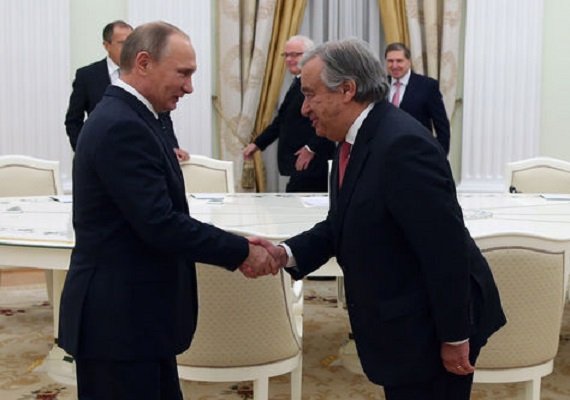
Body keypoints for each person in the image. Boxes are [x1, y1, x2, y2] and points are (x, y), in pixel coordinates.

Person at [251, 38, 506, 400]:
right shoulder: (353, 139)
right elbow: (340, 222)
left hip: (431, 325)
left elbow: (444, 250)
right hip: (402, 318)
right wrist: (285, 253)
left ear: (347, 90)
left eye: (310, 95)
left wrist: (454, 336)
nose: (305, 109)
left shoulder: (402, 146)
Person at [58, 21, 278, 400]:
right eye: (183, 73)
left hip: (138, 318)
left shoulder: (139, 117)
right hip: (119, 324)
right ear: (144, 63)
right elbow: (159, 223)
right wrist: (242, 250)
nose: (190, 87)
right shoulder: (120, 125)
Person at [63, 20, 190, 161]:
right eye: (123, 43)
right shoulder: (87, 76)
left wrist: (171, 147)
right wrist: (85, 152)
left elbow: (162, 116)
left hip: (143, 156)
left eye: (132, 43)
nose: (129, 48)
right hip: (103, 156)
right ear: (107, 45)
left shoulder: (145, 73)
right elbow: (73, 121)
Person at [243, 35, 335, 192]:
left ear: (310, 56)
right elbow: (282, 120)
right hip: (299, 164)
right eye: (286, 55)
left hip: (314, 163)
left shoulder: (319, 83)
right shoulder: (297, 83)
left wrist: (311, 148)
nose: (289, 59)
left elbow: (329, 118)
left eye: (295, 55)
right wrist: (257, 144)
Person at [385, 42, 451, 155]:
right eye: (390, 61)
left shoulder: (427, 86)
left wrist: (439, 157)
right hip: (386, 155)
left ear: (409, 62)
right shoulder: (380, 86)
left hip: (417, 155)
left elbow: (442, 127)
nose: (394, 66)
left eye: (399, 61)